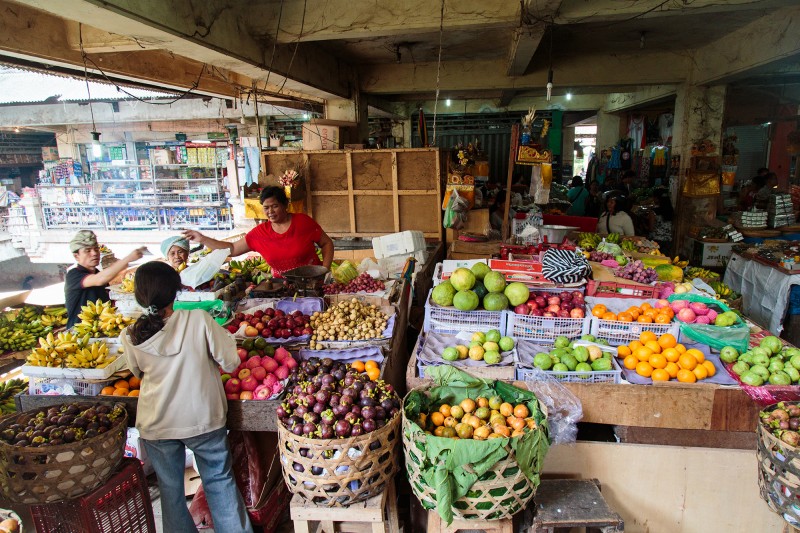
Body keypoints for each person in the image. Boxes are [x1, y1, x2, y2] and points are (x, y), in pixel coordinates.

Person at [120, 262, 253, 533]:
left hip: (156, 423)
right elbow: (229, 362)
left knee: (170, 493)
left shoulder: (131, 334)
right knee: (219, 481)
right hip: (202, 417)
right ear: (176, 292)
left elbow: (137, 372)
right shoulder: (197, 320)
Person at [184, 186, 334, 277]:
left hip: (313, 282)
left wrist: (324, 270)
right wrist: (202, 239)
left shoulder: (302, 222)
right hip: (280, 287)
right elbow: (232, 249)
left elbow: (327, 243)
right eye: (266, 208)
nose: (270, 212)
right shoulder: (260, 234)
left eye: (275, 206)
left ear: (285, 205)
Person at [65, 230, 144, 328]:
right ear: (76, 256)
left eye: (96, 249)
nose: (94, 253)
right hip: (79, 330)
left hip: (100, 328)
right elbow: (99, 279)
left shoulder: (98, 273)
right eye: (88, 250)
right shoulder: (74, 275)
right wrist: (128, 259)